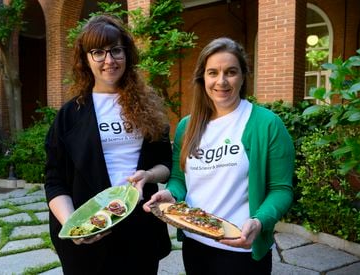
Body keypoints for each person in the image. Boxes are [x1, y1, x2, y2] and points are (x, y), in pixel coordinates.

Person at [144, 37, 295, 275]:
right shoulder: (187, 126)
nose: (221, 81)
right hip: (196, 245)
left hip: (242, 249)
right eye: (212, 72)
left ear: (243, 76)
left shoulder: (266, 124)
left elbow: (281, 189)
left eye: (231, 72)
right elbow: (179, 179)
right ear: (203, 77)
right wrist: (171, 193)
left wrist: (259, 222)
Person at [44, 15, 172, 275]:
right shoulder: (70, 114)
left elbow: (165, 164)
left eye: (116, 50)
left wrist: (148, 175)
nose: (109, 60)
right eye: (98, 52)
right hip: (90, 231)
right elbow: (54, 178)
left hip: (140, 226)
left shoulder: (148, 107)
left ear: (127, 54)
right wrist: (73, 224)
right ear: (85, 59)